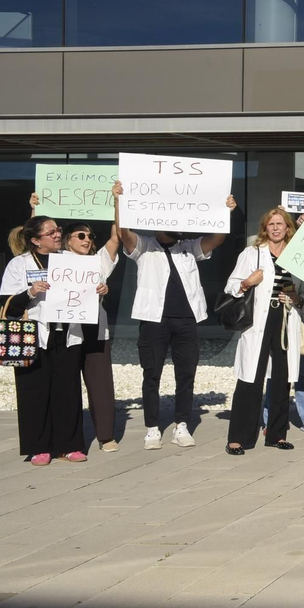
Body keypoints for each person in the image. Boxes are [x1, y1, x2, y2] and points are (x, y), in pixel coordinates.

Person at [111, 180, 237, 450]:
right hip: (153, 319)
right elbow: (123, 233)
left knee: (186, 373)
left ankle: (181, 425)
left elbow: (217, 239)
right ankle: (152, 428)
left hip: (186, 320)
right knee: (151, 373)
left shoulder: (189, 247)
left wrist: (225, 212)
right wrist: (119, 201)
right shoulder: (144, 246)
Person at [29, 192, 122, 452]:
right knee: (65, 387)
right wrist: (35, 210)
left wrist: (118, 202)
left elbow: (117, 236)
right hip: (64, 331)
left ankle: (106, 436)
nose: (87, 239)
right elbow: (35, 243)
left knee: (100, 384)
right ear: (67, 240)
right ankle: (69, 440)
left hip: (93, 328)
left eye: (90, 235)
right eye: (81, 235)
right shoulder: (55, 261)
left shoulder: (99, 261)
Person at [0, 216, 89, 464]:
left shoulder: (72, 260)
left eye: (58, 230)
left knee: (68, 391)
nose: (58, 234)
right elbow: (7, 305)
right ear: (36, 240)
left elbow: (86, 291)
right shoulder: (19, 265)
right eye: (51, 232)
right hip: (33, 335)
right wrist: (30, 291)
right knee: (33, 392)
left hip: (66, 333)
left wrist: (100, 290)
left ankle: (69, 445)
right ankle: (39, 447)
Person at [223, 208, 304, 455]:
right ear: (265, 228)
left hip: (284, 320)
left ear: (287, 227)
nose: (275, 228)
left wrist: (297, 298)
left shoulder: (298, 255)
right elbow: (231, 286)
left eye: (280, 224)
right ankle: (239, 438)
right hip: (258, 323)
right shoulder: (252, 253)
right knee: (250, 378)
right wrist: (247, 283)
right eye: (271, 223)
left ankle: (276, 434)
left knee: (282, 380)